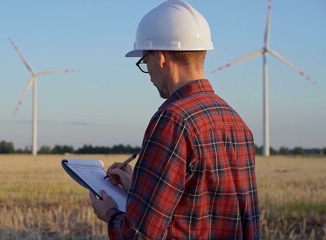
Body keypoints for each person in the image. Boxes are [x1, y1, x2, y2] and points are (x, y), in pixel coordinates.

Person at [89, 0, 260, 239]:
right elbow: (200, 204)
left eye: (144, 61)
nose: (147, 72)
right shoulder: (235, 121)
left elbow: (139, 235)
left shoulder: (173, 120)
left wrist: (110, 213)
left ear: (160, 57)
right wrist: (137, 189)